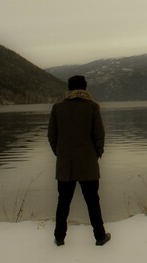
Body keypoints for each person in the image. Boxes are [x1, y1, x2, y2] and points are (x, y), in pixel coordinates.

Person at [48, 75, 110, 246]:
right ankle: (100, 237)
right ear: (85, 88)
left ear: (69, 89)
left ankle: (59, 238)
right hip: (88, 163)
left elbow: (51, 136)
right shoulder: (92, 107)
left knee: (63, 202)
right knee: (92, 202)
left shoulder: (57, 108)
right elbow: (99, 135)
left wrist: (60, 153)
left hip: (65, 164)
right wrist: (96, 154)